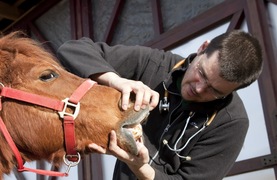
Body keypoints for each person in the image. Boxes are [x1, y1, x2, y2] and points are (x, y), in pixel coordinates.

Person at [57, 30, 263, 180]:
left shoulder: (232, 123)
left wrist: (141, 168)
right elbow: (72, 50)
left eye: (215, 91)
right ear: (202, 48)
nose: (199, 89)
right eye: (201, 74)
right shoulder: (156, 64)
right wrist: (117, 81)